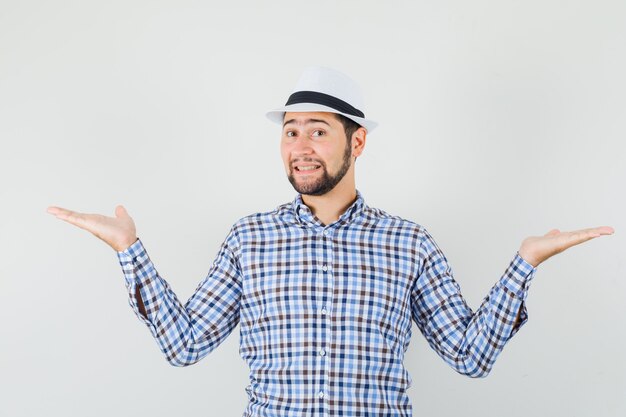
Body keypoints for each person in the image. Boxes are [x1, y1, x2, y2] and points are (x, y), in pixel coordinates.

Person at [47, 66, 614, 417]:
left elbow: (470, 357)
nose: (301, 146)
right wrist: (129, 251)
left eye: (318, 130)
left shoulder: (409, 243)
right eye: (291, 132)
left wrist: (525, 262)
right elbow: (184, 345)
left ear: (357, 142)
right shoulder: (250, 239)